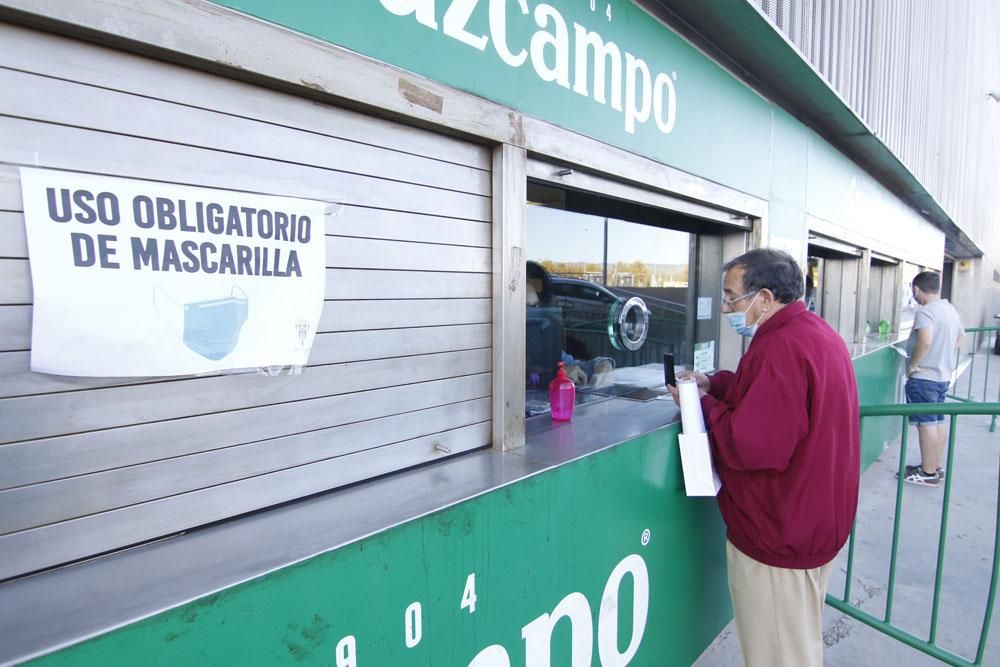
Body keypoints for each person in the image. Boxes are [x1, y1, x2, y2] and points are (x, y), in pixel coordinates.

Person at [668, 248, 859, 667]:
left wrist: (698, 405)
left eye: (732, 296)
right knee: (796, 642)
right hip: (809, 524)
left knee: (779, 656)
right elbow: (767, 398)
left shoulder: (782, 348)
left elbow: (753, 445)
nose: (725, 306)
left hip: (780, 535)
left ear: (766, 298)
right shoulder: (812, 334)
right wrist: (712, 384)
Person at [901, 271, 964, 486]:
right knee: (937, 421)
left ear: (917, 289)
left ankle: (927, 474)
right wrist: (943, 353)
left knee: (925, 424)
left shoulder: (926, 312)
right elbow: (960, 338)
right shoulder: (950, 310)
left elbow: (925, 341)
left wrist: (914, 365)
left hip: (925, 377)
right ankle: (934, 467)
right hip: (942, 376)